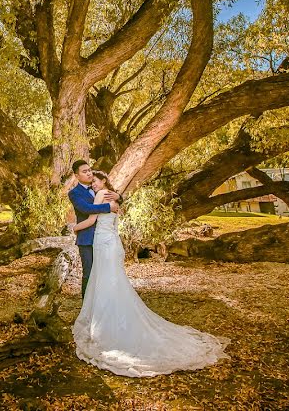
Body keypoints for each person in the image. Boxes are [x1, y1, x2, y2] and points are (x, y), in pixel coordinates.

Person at [71, 169, 230, 377]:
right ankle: (109, 316)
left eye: (95, 182)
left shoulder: (102, 195)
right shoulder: (114, 199)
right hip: (113, 243)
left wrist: (73, 228)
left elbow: (92, 220)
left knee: (105, 281)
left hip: (103, 243)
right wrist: (116, 199)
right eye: (91, 183)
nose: (93, 185)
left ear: (103, 181)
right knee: (112, 281)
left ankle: (105, 324)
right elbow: (110, 211)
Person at [66, 160, 120, 299]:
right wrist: (108, 208)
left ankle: (103, 306)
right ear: (76, 175)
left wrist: (120, 197)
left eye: (89, 170)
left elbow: (113, 198)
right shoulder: (74, 193)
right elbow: (86, 208)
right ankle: (87, 308)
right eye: (84, 172)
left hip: (103, 237)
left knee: (103, 274)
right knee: (89, 273)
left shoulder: (97, 186)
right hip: (87, 238)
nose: (89, 173)